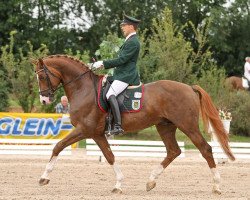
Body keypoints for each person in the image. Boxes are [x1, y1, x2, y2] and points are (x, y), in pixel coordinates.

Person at [92, 14, 141, 135]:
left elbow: (122, 60)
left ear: (131, 26)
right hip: (121, 74)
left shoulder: (133, 42)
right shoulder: (128, 40)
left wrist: (103, 63)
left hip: (127, 75)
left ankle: (118, 125)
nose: (122, 28)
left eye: (124, 26)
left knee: (110, 94)